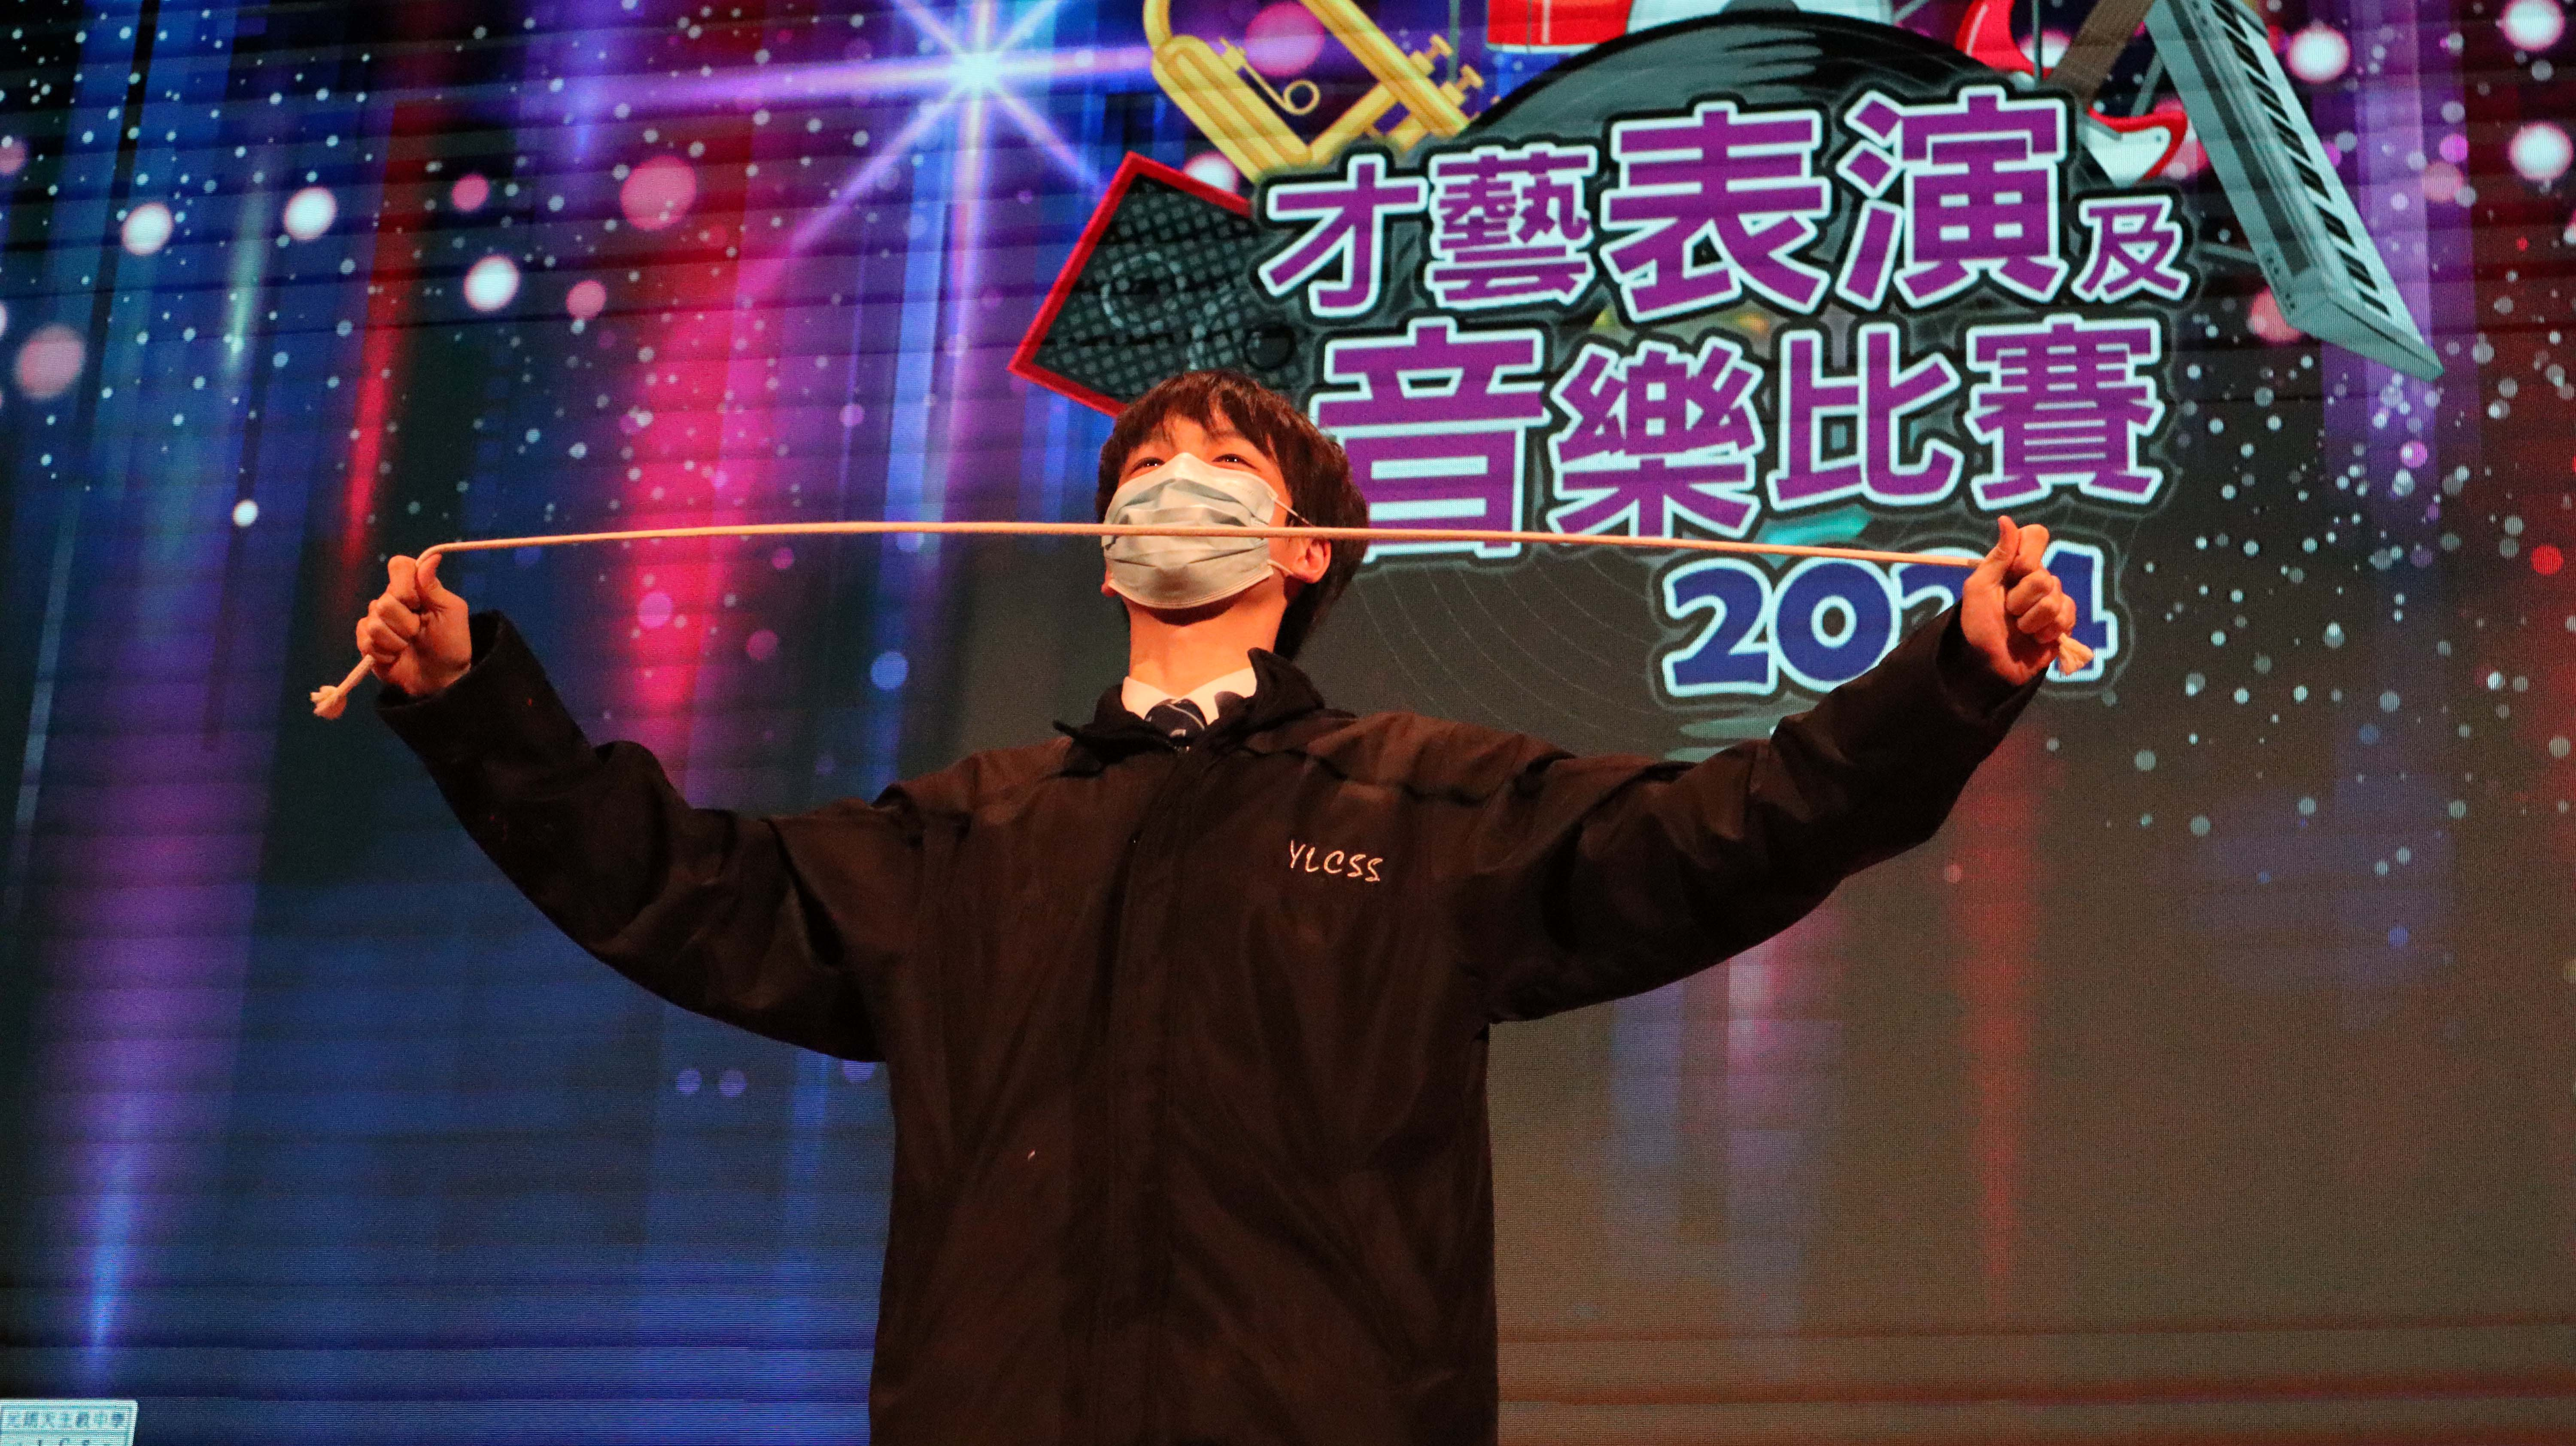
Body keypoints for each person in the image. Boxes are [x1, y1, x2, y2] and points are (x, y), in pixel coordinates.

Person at [358, 369, 2078, 1445]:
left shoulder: (1427, 802)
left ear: (1306, 544)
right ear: (1108, 543)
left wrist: (1952, 678)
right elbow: (679, 884)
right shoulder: (969, 833)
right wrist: (467, 699)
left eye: (1221, 460)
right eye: (1147, 465)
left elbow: (1733, 829)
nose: (1173, 480)